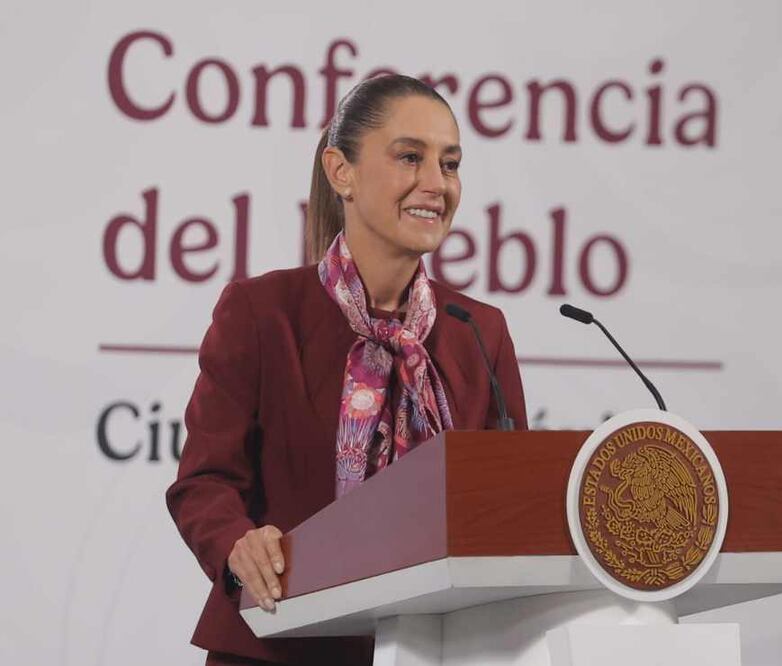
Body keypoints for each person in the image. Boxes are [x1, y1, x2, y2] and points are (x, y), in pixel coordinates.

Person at [166, 74, 529, 666]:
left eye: (451, 163)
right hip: (277, 643)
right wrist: (238, 543)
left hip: (433, 649)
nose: (436, 184)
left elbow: (507, 504)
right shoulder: (261, 313)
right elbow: (203, 482)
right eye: (410, 157)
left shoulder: (478, 333)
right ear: (342, 173)